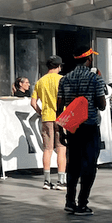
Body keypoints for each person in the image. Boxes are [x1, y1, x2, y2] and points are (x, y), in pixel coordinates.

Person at [57, 45, 107, 216]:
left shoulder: (64, 79)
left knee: (73, 164)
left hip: (72, 127)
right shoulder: (95, 79)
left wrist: (60, 129)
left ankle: (69, 201)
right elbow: (102, 105)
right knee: (89, 166)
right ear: (89, 58)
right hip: (90, 126)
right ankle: (82, 203)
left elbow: (60, 107)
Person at [31, 55, 66, 191]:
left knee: (47, 149)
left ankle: (46, 181)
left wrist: (41, 112)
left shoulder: (40, 81)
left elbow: (33, 103)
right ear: (58, 67)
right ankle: (61, 181)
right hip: (61, 117)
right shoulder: (62, 80)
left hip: (46, 117)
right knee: (61, 149)